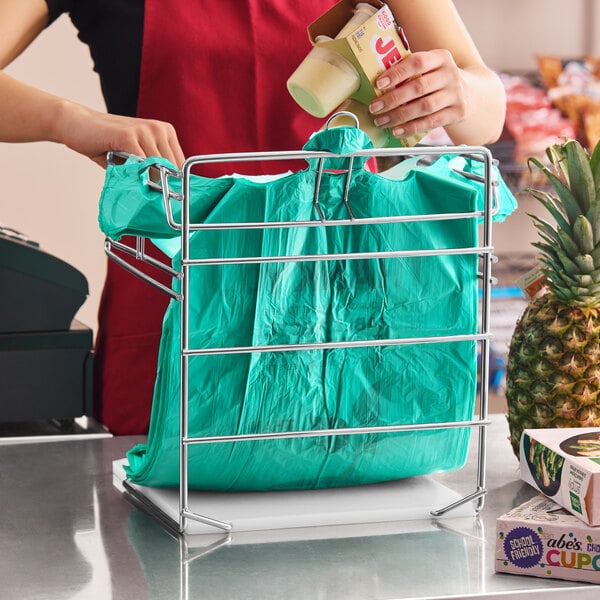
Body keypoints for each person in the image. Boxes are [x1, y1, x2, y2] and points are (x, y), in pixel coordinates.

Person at [0, 0, 506, 434]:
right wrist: (70, 120)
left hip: (346, 303)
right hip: (176, 306)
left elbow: (486, 110)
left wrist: (457, 90)